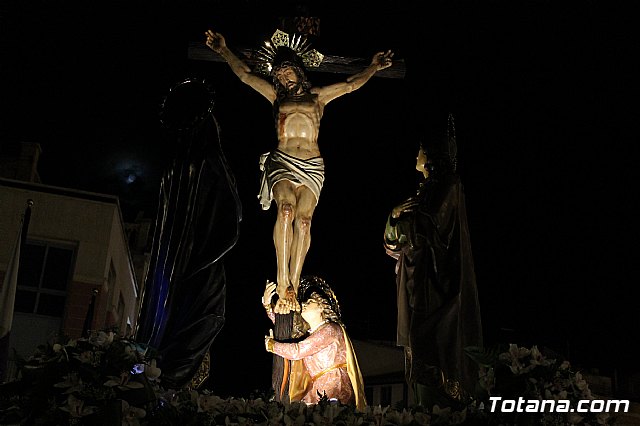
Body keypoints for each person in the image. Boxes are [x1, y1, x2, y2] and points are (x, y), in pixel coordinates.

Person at [205, 28, 393, 306]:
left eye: (286, 72)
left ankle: (294, 281)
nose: (282, 78)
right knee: (286, 211)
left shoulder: (318, 97)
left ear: (298, 71)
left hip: (313, 165)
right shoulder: (277, 98)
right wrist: (223, 50)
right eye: (278, 75)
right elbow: (245, 75)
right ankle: (283, 283)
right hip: (283, 160)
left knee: (303, 223)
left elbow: (351, 84)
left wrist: (374, 67)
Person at [135, 78, 242, 389]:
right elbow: (230, 221)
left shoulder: (175, 169)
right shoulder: (208, 164)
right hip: (196, 271)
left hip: (174, 274)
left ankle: (158, 382)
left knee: (191, 325)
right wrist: (201, 263)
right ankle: (165, 386)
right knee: (203, 321)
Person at [383, 114, 483, 409]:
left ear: (431, 155)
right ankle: (424, 405)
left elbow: (433, 228)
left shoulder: (449, 185)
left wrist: (403, 219)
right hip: (418, 281)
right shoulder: (423, 192)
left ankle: (439, 404)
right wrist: (394, 218)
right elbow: (396, 241)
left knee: (433, 346)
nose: (416, 155)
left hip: (436, 284)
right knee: (418, 346)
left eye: (421, 150)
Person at [261, 276, 366, 410]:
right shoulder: (313, 334)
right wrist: (268, 304)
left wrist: (272, 345)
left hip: (334, 387)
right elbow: (286, 330)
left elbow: (297, 351)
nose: (303, 304)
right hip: (317, 387)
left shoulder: (331, 330)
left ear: (321, 307)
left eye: (310, 302)